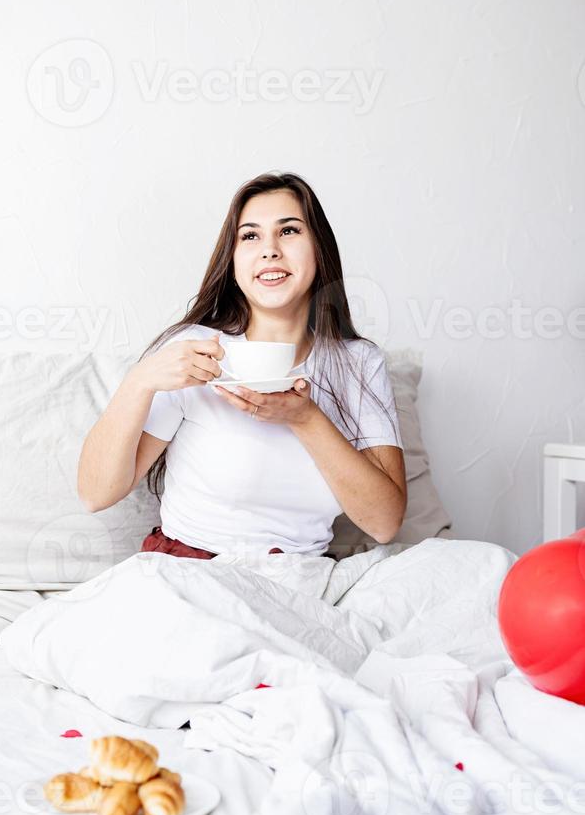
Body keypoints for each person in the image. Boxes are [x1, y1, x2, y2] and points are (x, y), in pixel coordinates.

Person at [77, 171, 407, 560]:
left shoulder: (357, 363)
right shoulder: (196, 351)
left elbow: (385, 524)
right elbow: (96, 494)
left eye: (289, 231)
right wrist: (139, 382)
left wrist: (306, 418)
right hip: (193, 571)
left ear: (319, 249)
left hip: (298, 577)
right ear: (233, 261)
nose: (269, 250)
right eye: (250, 236)